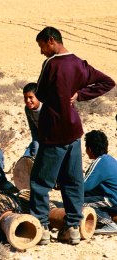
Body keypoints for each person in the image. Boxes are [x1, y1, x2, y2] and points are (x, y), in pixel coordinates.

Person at [29, 26, 115, 245]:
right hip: (74, 132)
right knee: (73, 181)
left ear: (51, 41)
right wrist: (79, 94)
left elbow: (39, 93)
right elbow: (108, 82)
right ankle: (73, 228)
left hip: (54, 133)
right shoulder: (78, 63)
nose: (42, 52)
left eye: (42, 46)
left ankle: (42, 228)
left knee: (41, 181)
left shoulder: (52, 63)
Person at [83, 130, 117, 234]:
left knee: (78, 202)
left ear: (89, 149)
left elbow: (84, 186)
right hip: (113, 198)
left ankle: (108, 224)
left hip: (113, 200)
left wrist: (64, 185)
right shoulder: (110, 160)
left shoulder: (99, 162)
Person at [22, 82, 41, 158]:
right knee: (26, 158)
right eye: (25, 97)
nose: (28, 100)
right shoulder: (27, 109)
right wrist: (35, 146)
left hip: (53, 140)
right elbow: (33, 130)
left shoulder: (46, 108)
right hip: (39, 137)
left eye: (30, 97)